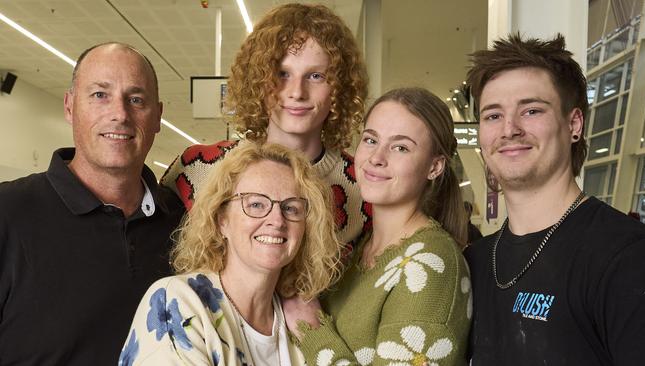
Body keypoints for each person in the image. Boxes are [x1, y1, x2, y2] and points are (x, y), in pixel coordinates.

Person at [464, 33, 645, 365]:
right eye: (493, 115)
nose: (509, 129)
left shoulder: (629, 258)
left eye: (531, 110)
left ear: (574, 123)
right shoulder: (474, 261)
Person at [0, 43, 184, 365]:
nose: (120, 114)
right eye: (100, 95)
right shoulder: (7, 213)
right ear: (70, 107)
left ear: (157, 116)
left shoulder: (185, 225)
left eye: (136, 99)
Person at [283, 87, 472, 365]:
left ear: (435, 166)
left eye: (400, 147)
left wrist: (311, 329)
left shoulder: (432, 265)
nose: (376, 157)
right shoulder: (359, 250)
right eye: (370, 140)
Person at [160, 3, 370, 247]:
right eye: (282, 74)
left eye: (316, 76)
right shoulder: (196, 168)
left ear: (339, 87)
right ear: (258, 80)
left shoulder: (364, 184)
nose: (297, 92)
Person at [120, 143, 341, 365]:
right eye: (256, 204)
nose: (276, 220)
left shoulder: (302, 323)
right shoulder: (177, 303)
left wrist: (317, 335)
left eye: (291, 208)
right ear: (221, 220)